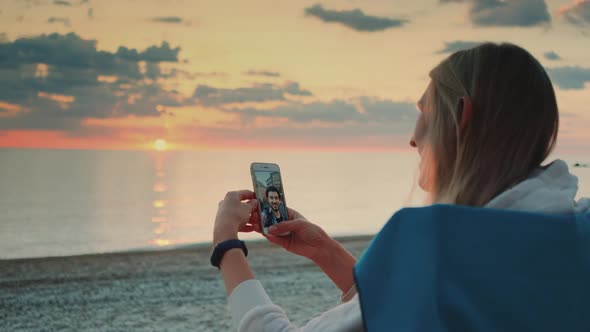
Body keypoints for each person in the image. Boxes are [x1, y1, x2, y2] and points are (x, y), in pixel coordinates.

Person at [211, 43, 590, 331]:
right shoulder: (576, 236)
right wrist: (327, 252)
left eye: (424, 112)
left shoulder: (431, 250)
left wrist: (227, 244)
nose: (413, 137)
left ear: (461, 116)